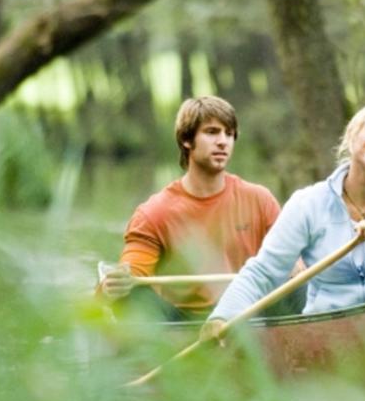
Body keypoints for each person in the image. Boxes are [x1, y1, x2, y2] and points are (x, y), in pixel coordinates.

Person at [202, 101, 365, 336]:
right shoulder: (308, 202)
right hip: (325, 335)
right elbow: (264, 271)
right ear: (352, 136)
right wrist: (222, 316)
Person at [97, 95, 282, 319]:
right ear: (187, 139)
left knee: (303, 286)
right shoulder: (154, 212)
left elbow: (292, 264)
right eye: (212, 132)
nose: (223, 141)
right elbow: (131, 273)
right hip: (186, 323)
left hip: (249, 315)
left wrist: (298, 270)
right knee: (131, 296)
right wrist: (115, 285)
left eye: (229, 134)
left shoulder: (260, 199)